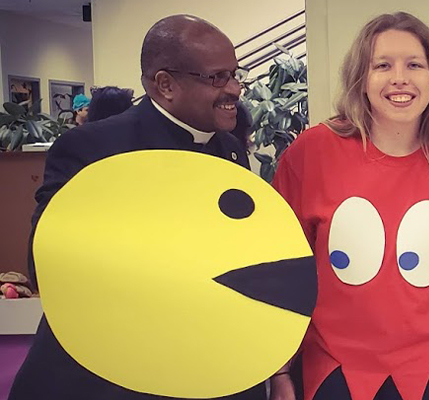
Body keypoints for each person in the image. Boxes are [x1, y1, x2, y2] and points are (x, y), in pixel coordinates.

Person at [9, 14, 259, 400]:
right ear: (165, 84)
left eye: (235, 74)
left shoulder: (229, 150)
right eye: (218, 77)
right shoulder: (93, 149)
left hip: (196, 366)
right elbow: (46, 265)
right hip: (101, 376)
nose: (235, 89)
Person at [269, 11, 429, 400]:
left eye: (414, 65)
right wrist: (281, 371)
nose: (399, 78)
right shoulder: (313, 151)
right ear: (362, 78)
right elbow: (285, 265)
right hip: (334, 369)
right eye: (382, 65)